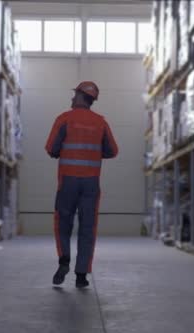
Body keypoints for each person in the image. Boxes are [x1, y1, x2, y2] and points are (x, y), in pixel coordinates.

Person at [45, 81, 118, 288]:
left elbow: (51, 148)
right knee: (88, 227)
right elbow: (113, 151)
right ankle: (81, 275)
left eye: (74, 94)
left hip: (68, 181)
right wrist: (94, 152)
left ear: (79, 96)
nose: (71, 98)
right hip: (91, 183)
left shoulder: (64, 119)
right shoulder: (101, 123)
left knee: (63, 223)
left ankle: (64, 260)